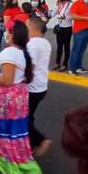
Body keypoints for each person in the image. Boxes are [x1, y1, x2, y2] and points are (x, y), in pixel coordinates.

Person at [0, 21, 43, 174]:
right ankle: (20, 169)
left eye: (7, 31)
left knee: (1, 134)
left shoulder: (10, 52)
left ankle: (7, 171)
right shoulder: (21, 52)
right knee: (15, 134)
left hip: (7, 98)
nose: (5, 33)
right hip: (18, 96)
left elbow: (7, 80)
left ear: (12, 34)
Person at [26, 16, 52, 157]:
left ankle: (41, 140)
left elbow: (31, 67)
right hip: (41, 86)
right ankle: (31, 144)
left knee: (23, 118)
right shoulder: (45, 43)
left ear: (32, 27)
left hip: (32, 87)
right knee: (29, 116)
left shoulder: (33, 44)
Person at [50, 0, 73, 72]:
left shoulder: (70, 5)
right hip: (60, 28)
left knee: (66, 47)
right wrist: (56, 5)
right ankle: (57, 63)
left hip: (67, 28)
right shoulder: (59, 5)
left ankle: (65, 64)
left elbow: (73, 16)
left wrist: (66, 17)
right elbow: (52, 14)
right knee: (59, 46)